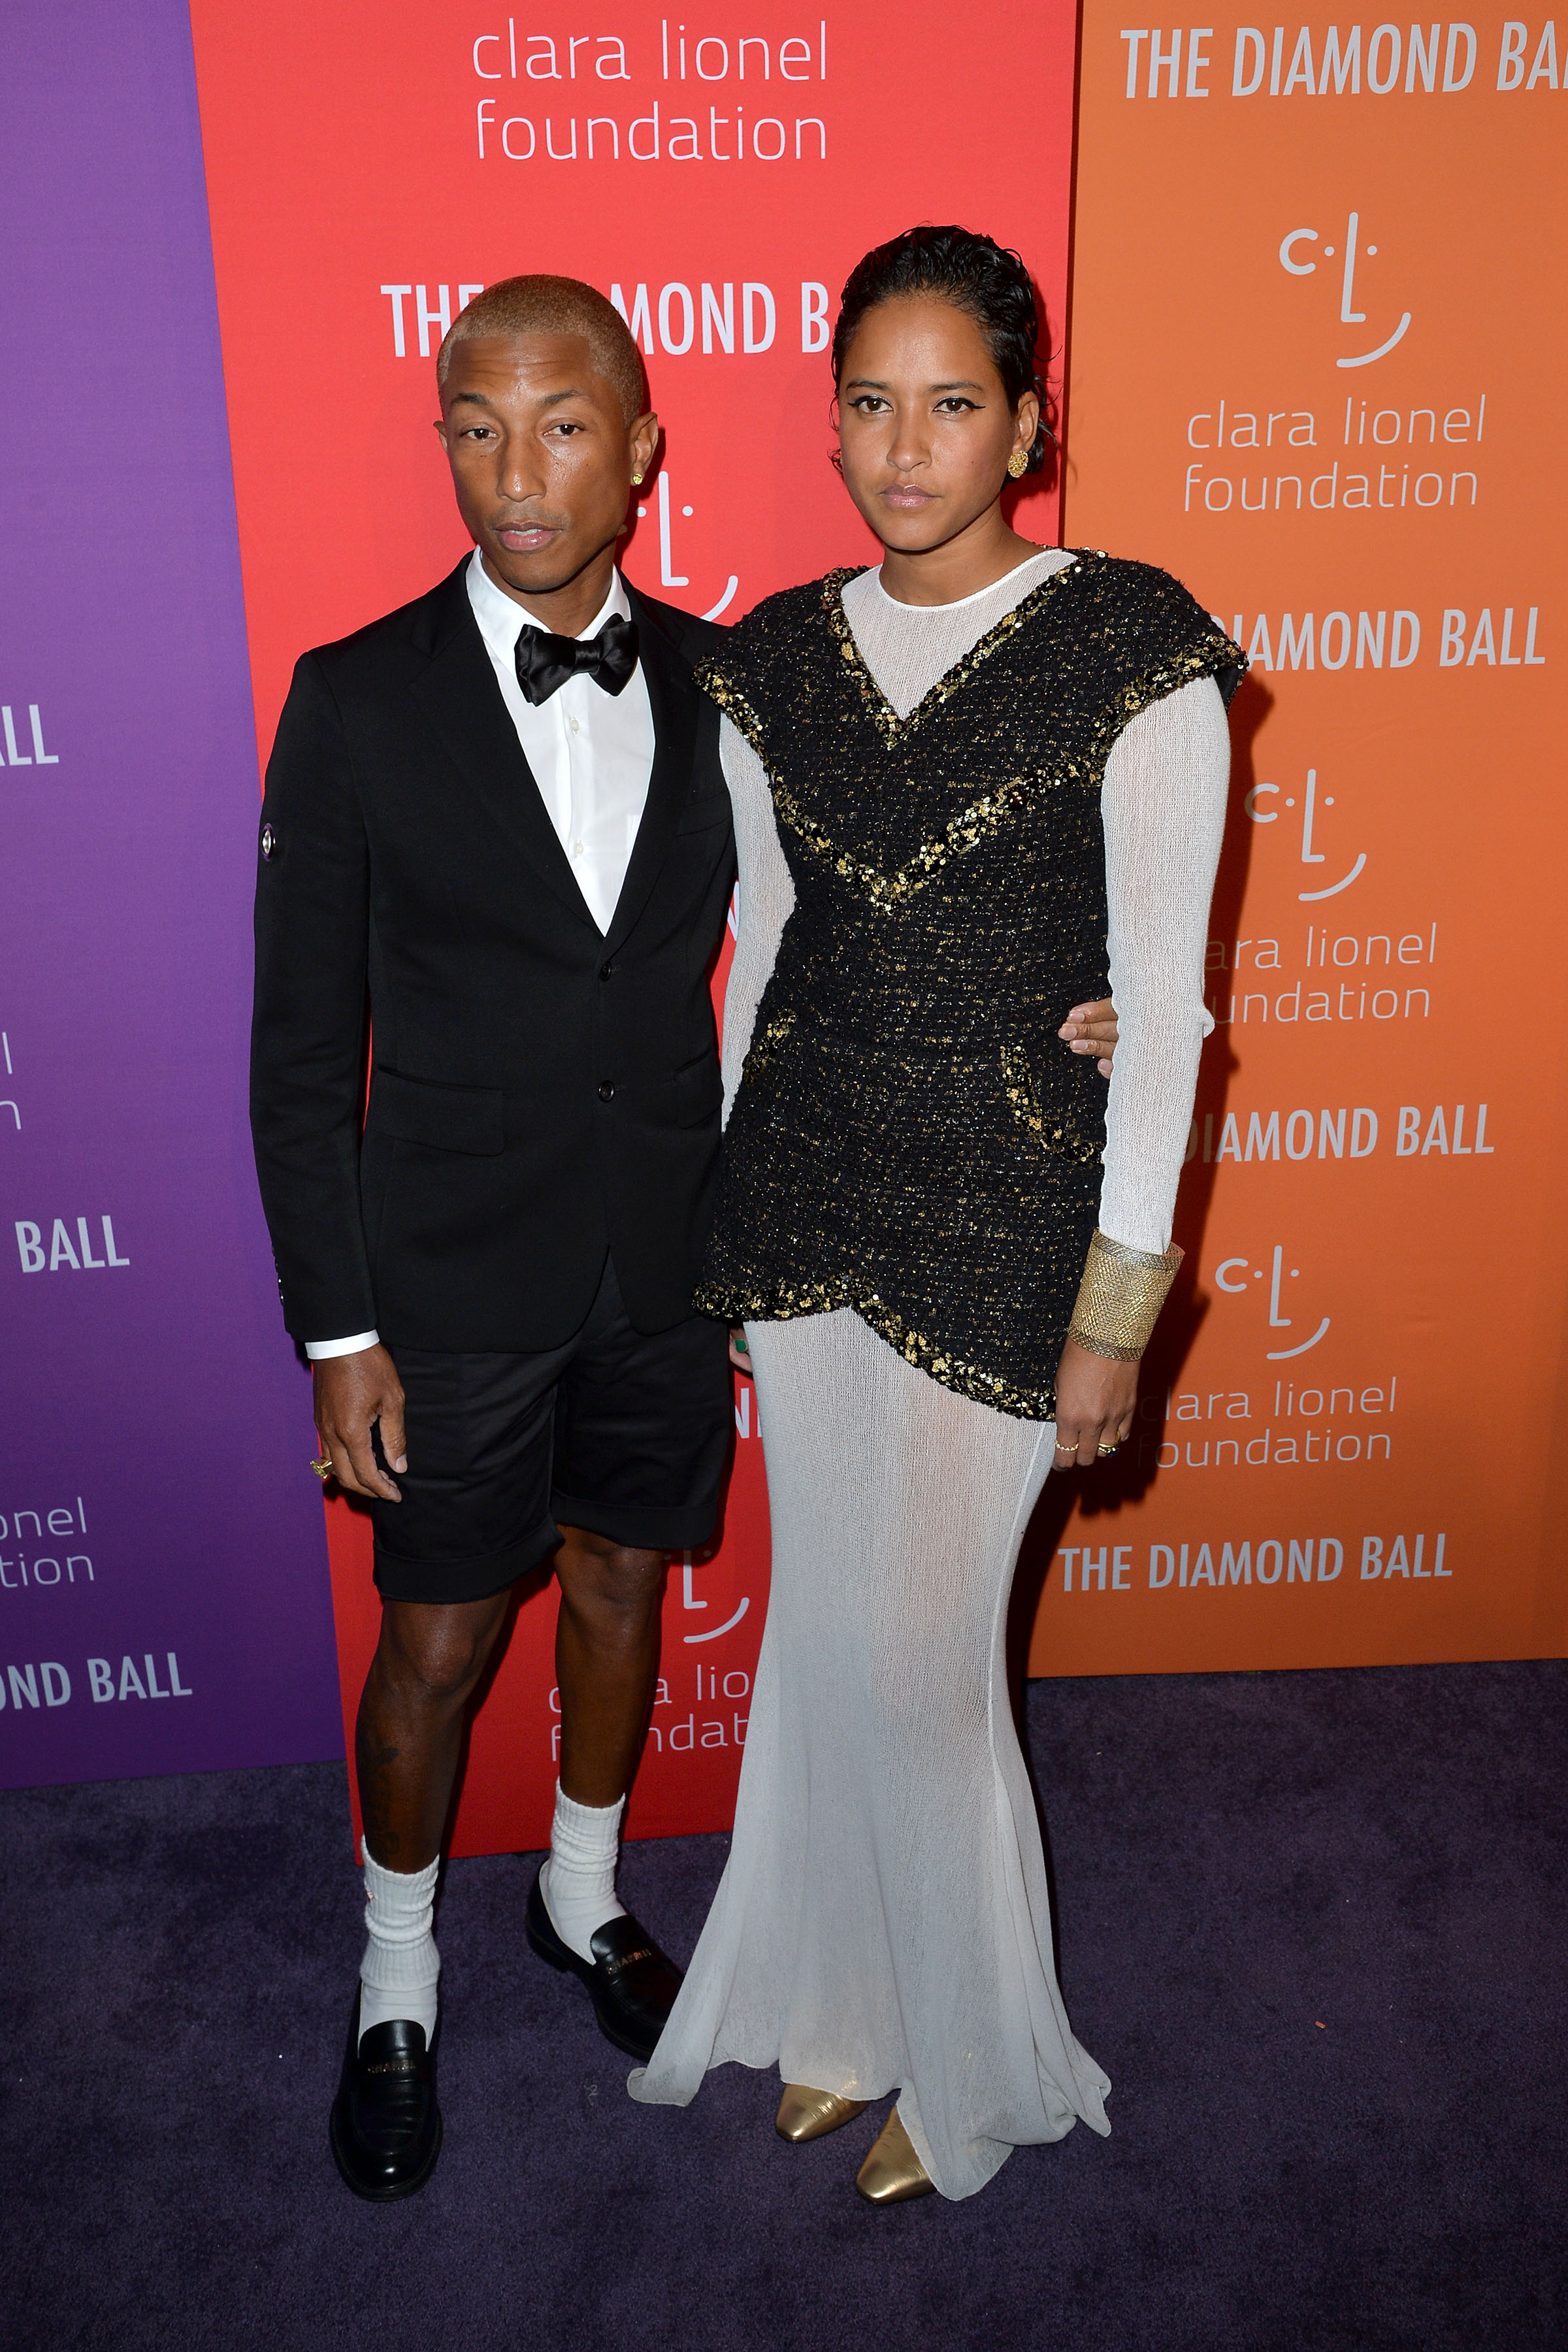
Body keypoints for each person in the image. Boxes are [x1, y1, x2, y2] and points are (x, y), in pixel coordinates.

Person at [630, 226, 1243, 2202]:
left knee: (922, 1658)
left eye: (954, 404)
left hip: (1007, 1219)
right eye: (874, 405)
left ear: (1028, 424)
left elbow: (1161, 1017)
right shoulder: (776, 662)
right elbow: (764, 942)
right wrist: (730, 1223)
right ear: (832, 424)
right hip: (802, 1205)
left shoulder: (1131, 645)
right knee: (827, 1640)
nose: (909, 448)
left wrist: (1116, 1314)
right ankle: (841, 2005)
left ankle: (973, 2068)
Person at [250, 277, 740, 2200]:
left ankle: (585, 1893)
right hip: (445, 1274)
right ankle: (394, 1979)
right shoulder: (356, 698)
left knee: (623, 1590)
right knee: (440, 1637)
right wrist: (335, 1330)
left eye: (557, 426)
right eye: (473, 424)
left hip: (665, 1259)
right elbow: (300, 1058)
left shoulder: (723, 687)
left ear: (639, 449)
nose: (513, 471)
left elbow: (823, 950)